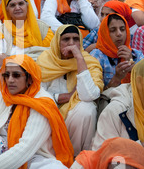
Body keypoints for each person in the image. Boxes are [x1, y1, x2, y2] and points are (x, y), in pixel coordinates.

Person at [0, 54, 74, 169]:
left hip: (31, 157)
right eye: (7, 75)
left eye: (16, 75)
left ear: (29, 78)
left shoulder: (42, 102)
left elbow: (25, 148)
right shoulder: (0, 97)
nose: (10, 80)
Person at [36, 25, 104, 155]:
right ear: (57, 42)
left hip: (73, 120)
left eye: (76, 39)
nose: (71, 43)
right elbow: (36, 92)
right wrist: (59, 97)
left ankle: (76, 157)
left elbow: (90, 95)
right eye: (66, 39)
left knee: (87, 108)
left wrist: (79, 59)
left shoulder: (89, 62)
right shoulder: (45, 60)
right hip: (49, 114)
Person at [89, 13, 144, 89]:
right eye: (113, 30)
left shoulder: (137, 55)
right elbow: (95, 94)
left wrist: (132, 67)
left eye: (122, 29)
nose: (119, 34)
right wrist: (117, 78)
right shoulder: (97, 55)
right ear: (105, 33)